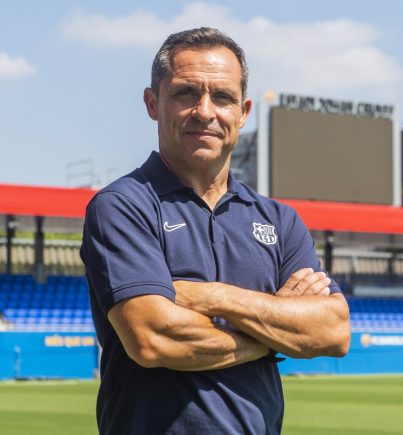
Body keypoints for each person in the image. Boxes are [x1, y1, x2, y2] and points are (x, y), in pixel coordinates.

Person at [80, 27, 350, 435]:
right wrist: (276, 335)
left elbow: (333, 331)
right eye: (186, 93)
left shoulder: (279, 220)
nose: (205, 111)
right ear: (153, 103)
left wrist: (212, 296)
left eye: (222, 97)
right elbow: (154, 338)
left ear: (243, 112)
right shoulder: (123, 206)